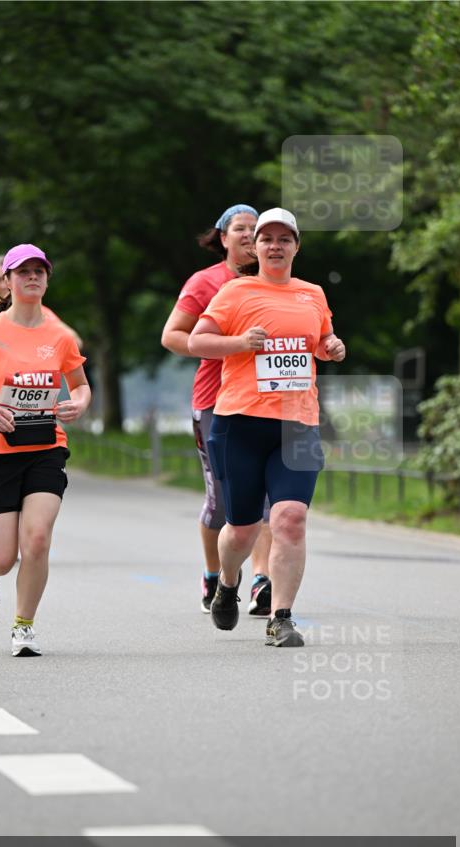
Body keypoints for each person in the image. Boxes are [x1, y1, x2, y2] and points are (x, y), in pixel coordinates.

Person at [188, 208, 346, 647]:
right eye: (267, 239)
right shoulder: (236, 292)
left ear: (296, 246)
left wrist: (331, 347)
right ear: (254, 247)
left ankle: (281, 617)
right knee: (240, 528)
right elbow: (196, 341)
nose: (275, 246)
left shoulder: (312, 294)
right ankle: (227, 583)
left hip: (297, 424)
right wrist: (238, 344)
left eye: (284, 239)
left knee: (289, 519)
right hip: (240, 423)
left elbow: (321, 342)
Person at [0, 243, 91, 657]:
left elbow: (80, 386)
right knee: (4, 556)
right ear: (6, 282)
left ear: (47, 279)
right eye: (22, 271)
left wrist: (79, 403)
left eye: (39, 271)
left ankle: (24, 626)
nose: (32, 277)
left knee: (39, 539)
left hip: (46, 445)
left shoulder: (59, 334)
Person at [161, 204, 273, 616]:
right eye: (239, 229)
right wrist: (223, 346)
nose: (248, 235)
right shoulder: (206, 282)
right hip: (215, 401)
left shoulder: (278, 283)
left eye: (255, 229)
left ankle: (262, 580)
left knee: (264, 498)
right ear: (222, 238)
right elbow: (172, 336)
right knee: (224, 503)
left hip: (267, 400)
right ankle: (214, 573)